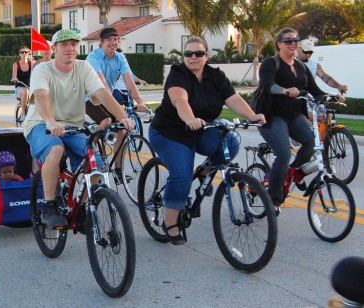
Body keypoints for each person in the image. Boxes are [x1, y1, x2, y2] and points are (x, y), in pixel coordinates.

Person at [149, 36, 265, 245]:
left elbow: (233, 98)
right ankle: (170, 222)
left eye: (198, 53)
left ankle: (204, 173)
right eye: (188, 54)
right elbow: (180, 100)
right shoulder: (177, 74)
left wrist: (252, 116)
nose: (193, 57)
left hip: (201, 128)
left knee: (230, 141)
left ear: (206, 56)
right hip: (170, 132)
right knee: (182, 175)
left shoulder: (216, 76)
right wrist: (190, 119)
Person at [23, 29, 134, 229]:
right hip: (41, 124)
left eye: (74, 44)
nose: (70, 48)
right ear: (54, 48)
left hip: (73, 126)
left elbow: (102, 93)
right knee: (55, 149)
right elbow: (40, 95)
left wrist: (123, 117)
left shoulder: (83, 68)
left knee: (97, 164)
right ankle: (49, 205)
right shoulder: (43, 69)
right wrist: (49, 120)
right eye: (64, 44)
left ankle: (82, 207)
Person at [257, 28, 345, 215]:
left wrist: (333, 96)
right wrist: (285, 90)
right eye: (288, 41)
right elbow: (268, 85)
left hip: (295, 115)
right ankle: (273, 199)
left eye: (295, 40)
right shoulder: (270, 64)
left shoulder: (301, 67)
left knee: (312, 141)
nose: (293, 44)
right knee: (283, 154)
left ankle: (294, 173)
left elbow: (315, 90)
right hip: (272, 116)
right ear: (279, 44)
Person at [85, 28, 147, 181]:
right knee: (106, 121)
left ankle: (118, 172)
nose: (113, 42)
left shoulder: (120, 58)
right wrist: (117, 108)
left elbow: (128, 80)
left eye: (115, 39)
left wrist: (139, 100)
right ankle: (87, 146)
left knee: (122, 129)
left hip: (107, 97)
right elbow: (102, 83)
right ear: (102, 42)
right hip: (88, 97)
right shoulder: (94, 57)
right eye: (109, 40)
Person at [11, 46, 32, 120]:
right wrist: (14, 78)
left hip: (30, 87)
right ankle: (23, 113)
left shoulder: (31, 63)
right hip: (20, 87)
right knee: (25, 91)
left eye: (26, 52)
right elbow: (14, 76)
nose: (24, 54)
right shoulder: (16, 64)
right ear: (19, 54)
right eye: (22, 52)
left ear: (28, 53)